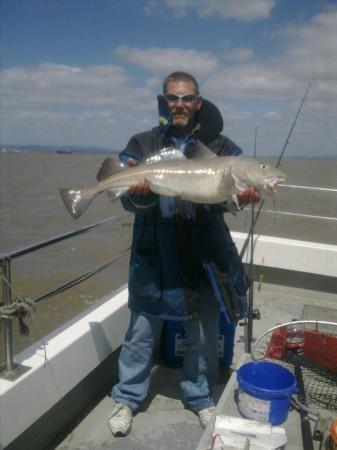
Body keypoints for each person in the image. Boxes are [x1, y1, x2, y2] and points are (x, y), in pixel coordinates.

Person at [107, 71, 260, 436]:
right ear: (164, 101)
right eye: (172, 98)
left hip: (204, 253)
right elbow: (129, 202)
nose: (179, 105)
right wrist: (139, 193)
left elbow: (227, 197)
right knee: (141, 331)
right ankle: (127, 398)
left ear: (198, 102)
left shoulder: (223, 148)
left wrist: (242, 197)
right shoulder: (143, 143)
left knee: (204, 333)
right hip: (154, 252)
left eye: (186, 98)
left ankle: (200, 397)